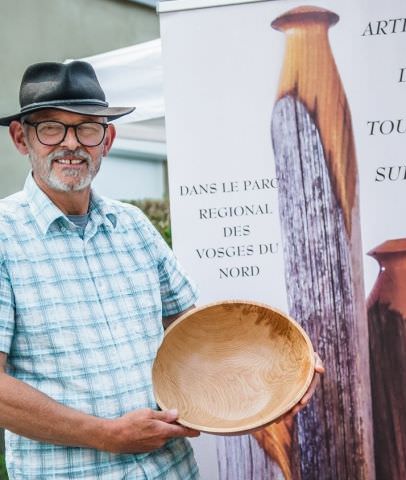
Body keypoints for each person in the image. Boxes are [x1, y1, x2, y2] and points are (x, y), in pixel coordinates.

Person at [0, 61, 323, 479]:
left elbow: (195, 337)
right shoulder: (4, 236)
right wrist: (106, 435)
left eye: (87, 128)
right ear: (21, 138)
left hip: (170, 470)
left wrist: (282, 375)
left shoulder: (133, 226)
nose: (71, 144)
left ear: (108, 139)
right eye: (50, 128)